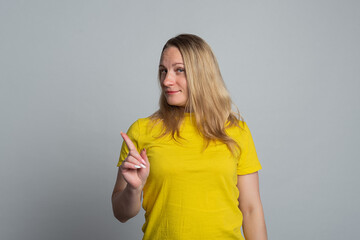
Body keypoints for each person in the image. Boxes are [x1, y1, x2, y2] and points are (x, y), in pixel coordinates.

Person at [111, 34, 267, 240]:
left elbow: (251, 210)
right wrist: (134, 188)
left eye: (179, 70)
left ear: (202, 73)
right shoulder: (142, 131)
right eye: (163, 71)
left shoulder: (236, 131)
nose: (166, 80)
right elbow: (121, 213)